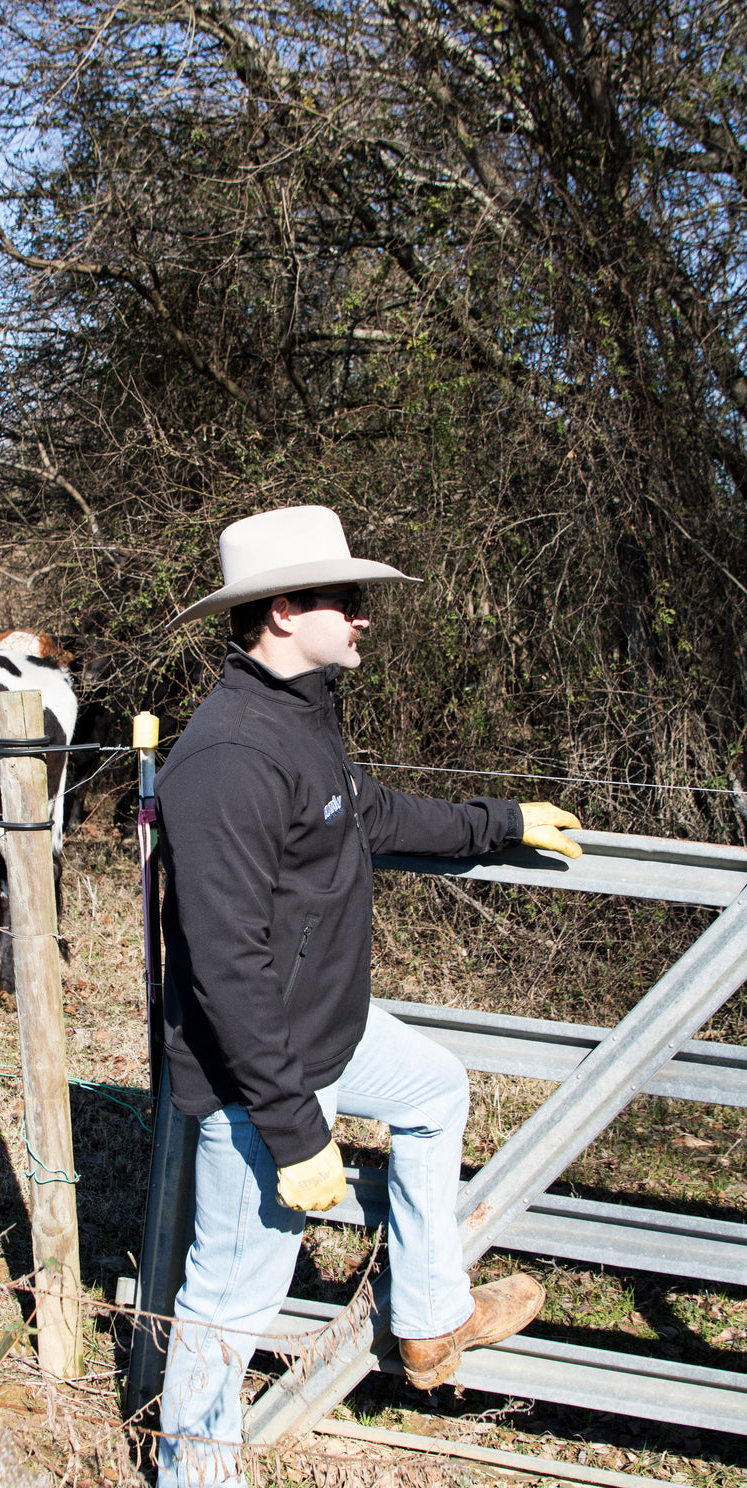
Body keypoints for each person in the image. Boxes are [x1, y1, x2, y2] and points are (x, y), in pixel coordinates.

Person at [153, 505, 582, 1488]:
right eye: (344, 599)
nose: (363, 617)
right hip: (259, 1081)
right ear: (279, 611)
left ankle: (430, 1320)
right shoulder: (225, 762)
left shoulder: (300, 712)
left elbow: (364, 812)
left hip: (331, 1032)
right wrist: (298, 1133)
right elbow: (228, 969)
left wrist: (499, 822)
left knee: (434, 1088)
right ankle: (193, 1477)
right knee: (227, 1301)